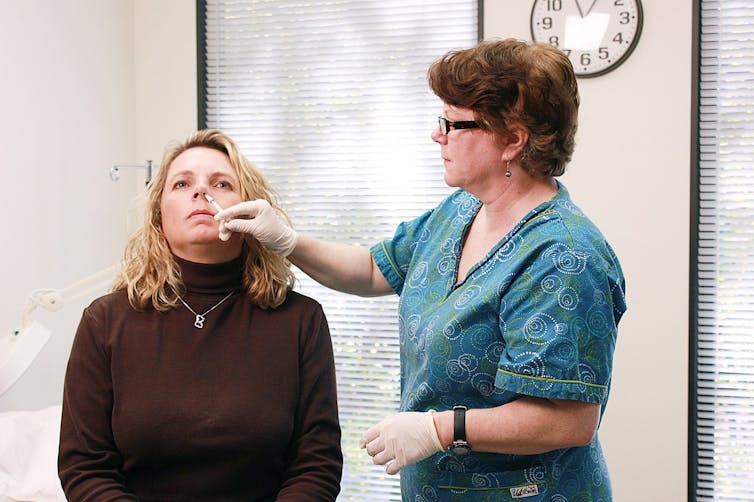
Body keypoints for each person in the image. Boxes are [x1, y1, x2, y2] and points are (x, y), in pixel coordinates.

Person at [213, 38, 627, 501]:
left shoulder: (562, 255)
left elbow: (568, 420)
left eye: (453, 123)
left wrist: (439, 429)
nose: (438, 135)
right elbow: (373, 269)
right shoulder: (462, 211)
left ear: (513, 139)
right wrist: (288, 241)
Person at [58, 129, 343, 501]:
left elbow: (317, 465)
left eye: (221, 183)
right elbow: (85, 467)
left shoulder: (300, 320)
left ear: (253, 211)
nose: (200, 192)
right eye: (181, 184)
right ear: (159, 216)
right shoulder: (105, 321)